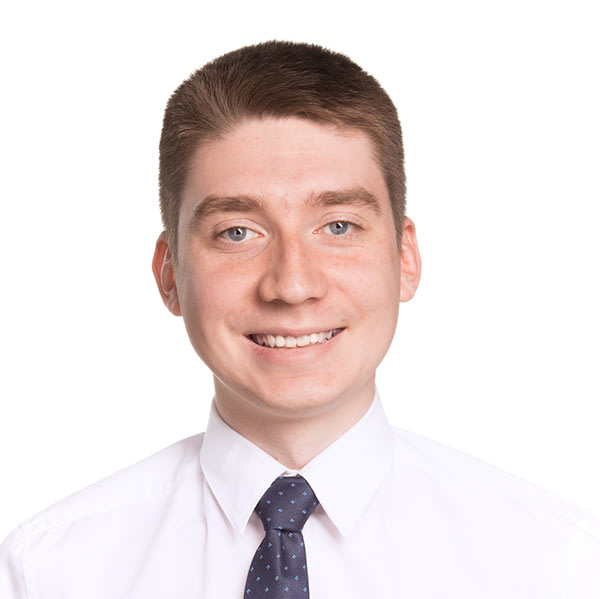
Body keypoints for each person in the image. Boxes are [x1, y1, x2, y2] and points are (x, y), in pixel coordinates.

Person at [1, 40, 598, 598]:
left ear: (405, 258)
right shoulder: (49, 572)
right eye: (238, 232)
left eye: (338, 226)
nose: (291, 285)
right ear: (170, 273)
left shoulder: (553, 565)